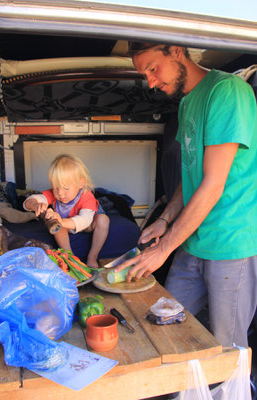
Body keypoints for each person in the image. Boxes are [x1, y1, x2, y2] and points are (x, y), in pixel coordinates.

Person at [116, 42, 257, 348]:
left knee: (228, 351)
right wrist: (165, 220)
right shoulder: (187, 102)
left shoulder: (226, 91)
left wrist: (164, 248)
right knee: (163, 323)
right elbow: (190, 173)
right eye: (145, 74)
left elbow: (213, 184)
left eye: (153, 68)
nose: (151, 81)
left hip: (230, 244)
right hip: (193, 240)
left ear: (176, 51)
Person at [24, 154, 110, 268]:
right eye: (56, 187)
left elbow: (85, 220)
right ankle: (70, 257)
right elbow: (28, 202)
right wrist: (35, 204)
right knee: (57, 225)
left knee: (103, 220)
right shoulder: (56, 194)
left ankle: (92, 257)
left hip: (88, 224)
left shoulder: (86, 196)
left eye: (65, 188)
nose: (60, 193)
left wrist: (61, 221)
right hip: (66, 224)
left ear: (81, 183)